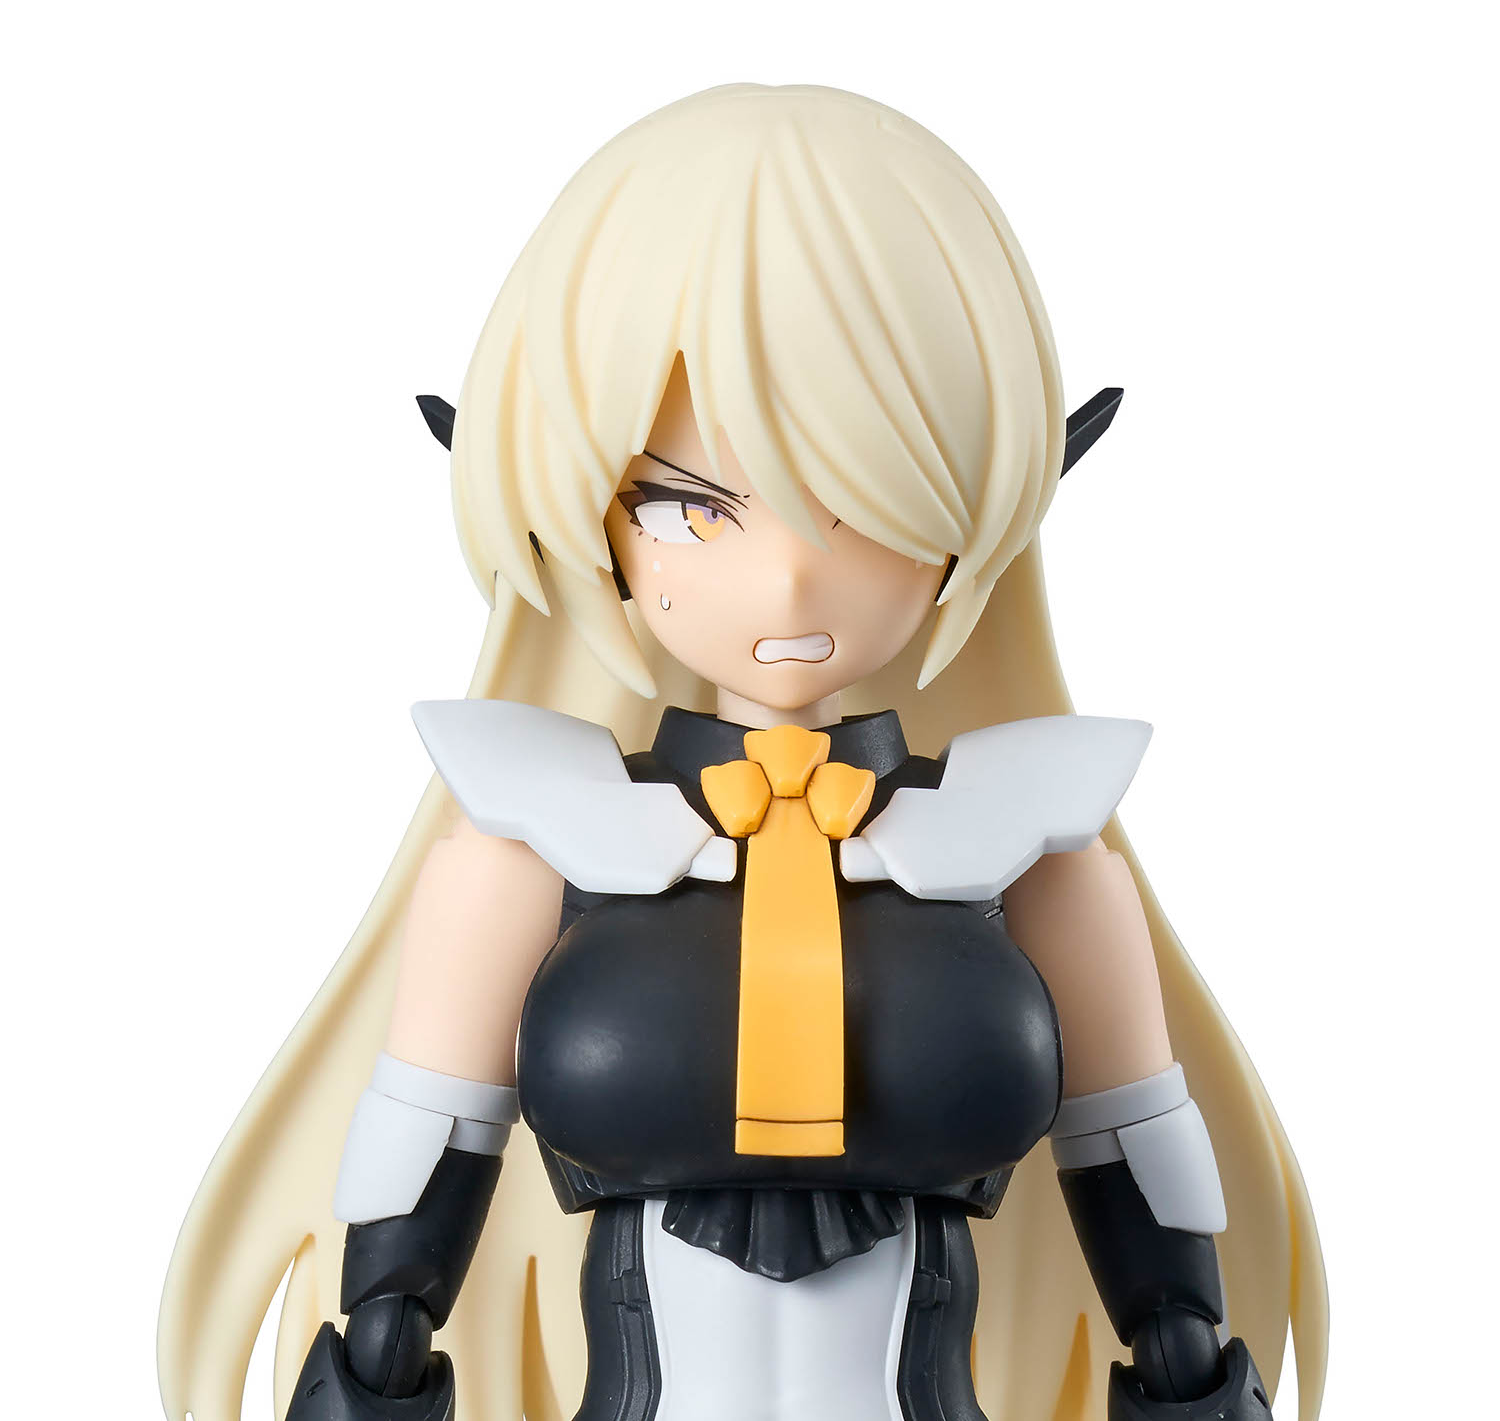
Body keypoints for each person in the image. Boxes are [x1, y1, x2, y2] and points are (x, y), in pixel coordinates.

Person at [159, 83, 1326, 1421]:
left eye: (868, 505)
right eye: (687, 506)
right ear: (590, 518)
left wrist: (1187, 1365)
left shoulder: (1034, 852)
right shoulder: (531, 841)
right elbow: (424, 1153)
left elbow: (1138, 1163)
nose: (786, 582)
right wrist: (376, 1356)